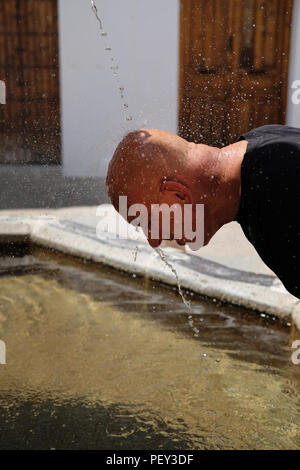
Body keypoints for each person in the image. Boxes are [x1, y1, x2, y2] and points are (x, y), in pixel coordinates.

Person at [106, 125, 300, 298]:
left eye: (149, 223)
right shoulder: (264, 145)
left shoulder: (279, 187)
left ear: (178, 194)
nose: (153, 240)